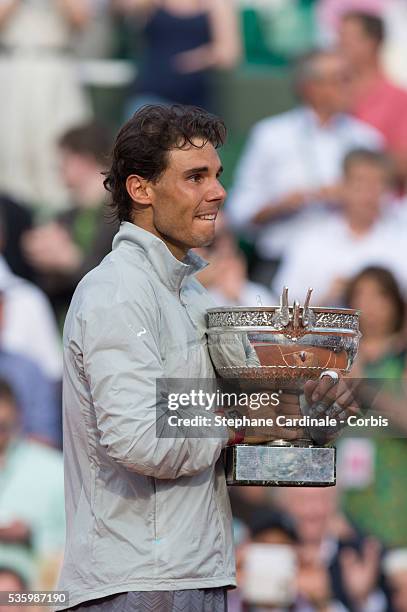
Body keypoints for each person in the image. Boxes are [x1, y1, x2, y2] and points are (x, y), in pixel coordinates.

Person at [56, 104, 356, 612]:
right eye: (195, 177)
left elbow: (249, 458)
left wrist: (309, 423)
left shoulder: (198, 299)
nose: (217, 192)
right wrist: (244, 419)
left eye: (217, 175)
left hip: (195, 574)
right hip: (136, 583)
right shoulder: (115, 292)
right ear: (140, 190)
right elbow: (142, 439)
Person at [226, 49, 383, 282]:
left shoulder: (366, 139)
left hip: (351, 263)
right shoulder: (271, 135)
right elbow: (240, 210)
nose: (350, 86)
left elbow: (385, 203)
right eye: (341, 79)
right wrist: (281, 205)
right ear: (311, 87)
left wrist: (353, 195)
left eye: (350, 78)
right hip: (281, 259)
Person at [272, 148, 407, 303]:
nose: (369, 193)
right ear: (343, 186)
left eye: (378, 184)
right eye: (361, 183)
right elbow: (284, 303)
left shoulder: (401, 240)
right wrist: (328, 295)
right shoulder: (312, 239)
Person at [22, 122, 119, 325]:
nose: (59, 167)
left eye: (65, 159)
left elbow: (118, 279)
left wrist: (70, 260)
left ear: (84, 160)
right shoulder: (65, 216)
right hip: (68, 323)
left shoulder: (121, 215)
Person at [0, 0, 92, 212]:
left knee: (61, 148)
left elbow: (81, 21)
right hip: (14, 67)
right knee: (12, 150)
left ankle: (61, 218)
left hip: (56, 66)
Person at [339, 267, 407, 548]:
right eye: (360, 295)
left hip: (393, 487)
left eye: (378, 295)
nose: (368, 305)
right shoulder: (339, 353)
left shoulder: (401, 356)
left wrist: (365, 388)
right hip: (343, 491)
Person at [113, 0, 241, 112]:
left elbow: (228, 54)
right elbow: (121, 9)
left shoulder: (216, 4)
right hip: (151, 94)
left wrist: (195, 59)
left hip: (195, 101)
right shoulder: (151, 4)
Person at [0, 380, 65, 589]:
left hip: (37, 595)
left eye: (2, 427)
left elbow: (67, 550)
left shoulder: (54, 470)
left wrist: (31, 535)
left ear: (18, 416)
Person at [339, 11, 407, 185]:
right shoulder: (331, 93)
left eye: (349, 39)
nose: (340, 45)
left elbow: (403, 163)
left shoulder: (399, 99)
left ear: (373, 43)